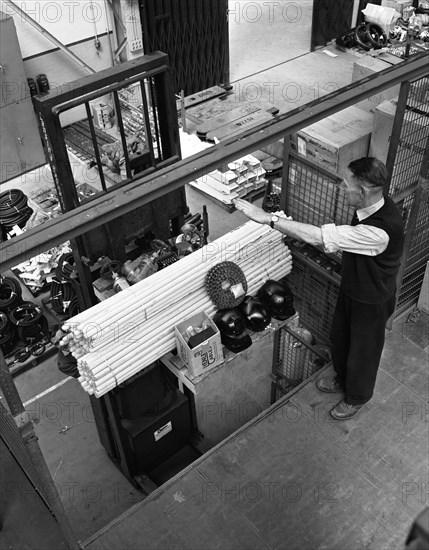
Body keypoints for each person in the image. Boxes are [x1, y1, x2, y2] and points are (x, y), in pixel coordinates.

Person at [234, 157, 404, 420]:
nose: (340, 187)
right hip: (353, 289)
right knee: (341, 338)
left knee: (364, 351)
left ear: (362, 191)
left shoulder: (380, 231)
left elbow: (318, 237)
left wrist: (268, 218)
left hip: (372, 300)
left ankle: (357, 396)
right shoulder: (368, 207)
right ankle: (342, 378)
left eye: (346, 184)